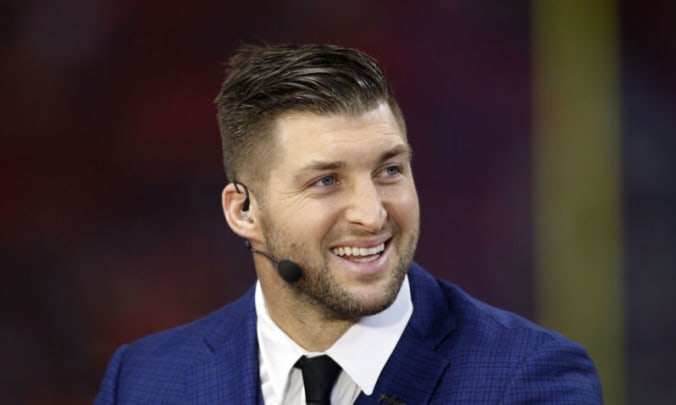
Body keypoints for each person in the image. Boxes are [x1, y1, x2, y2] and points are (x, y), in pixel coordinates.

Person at [95, 43, 603, 404]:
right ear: (243, 211)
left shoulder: (530, 378)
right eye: (326, 181)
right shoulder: (143, 380)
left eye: (389, 171)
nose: (373, 214)